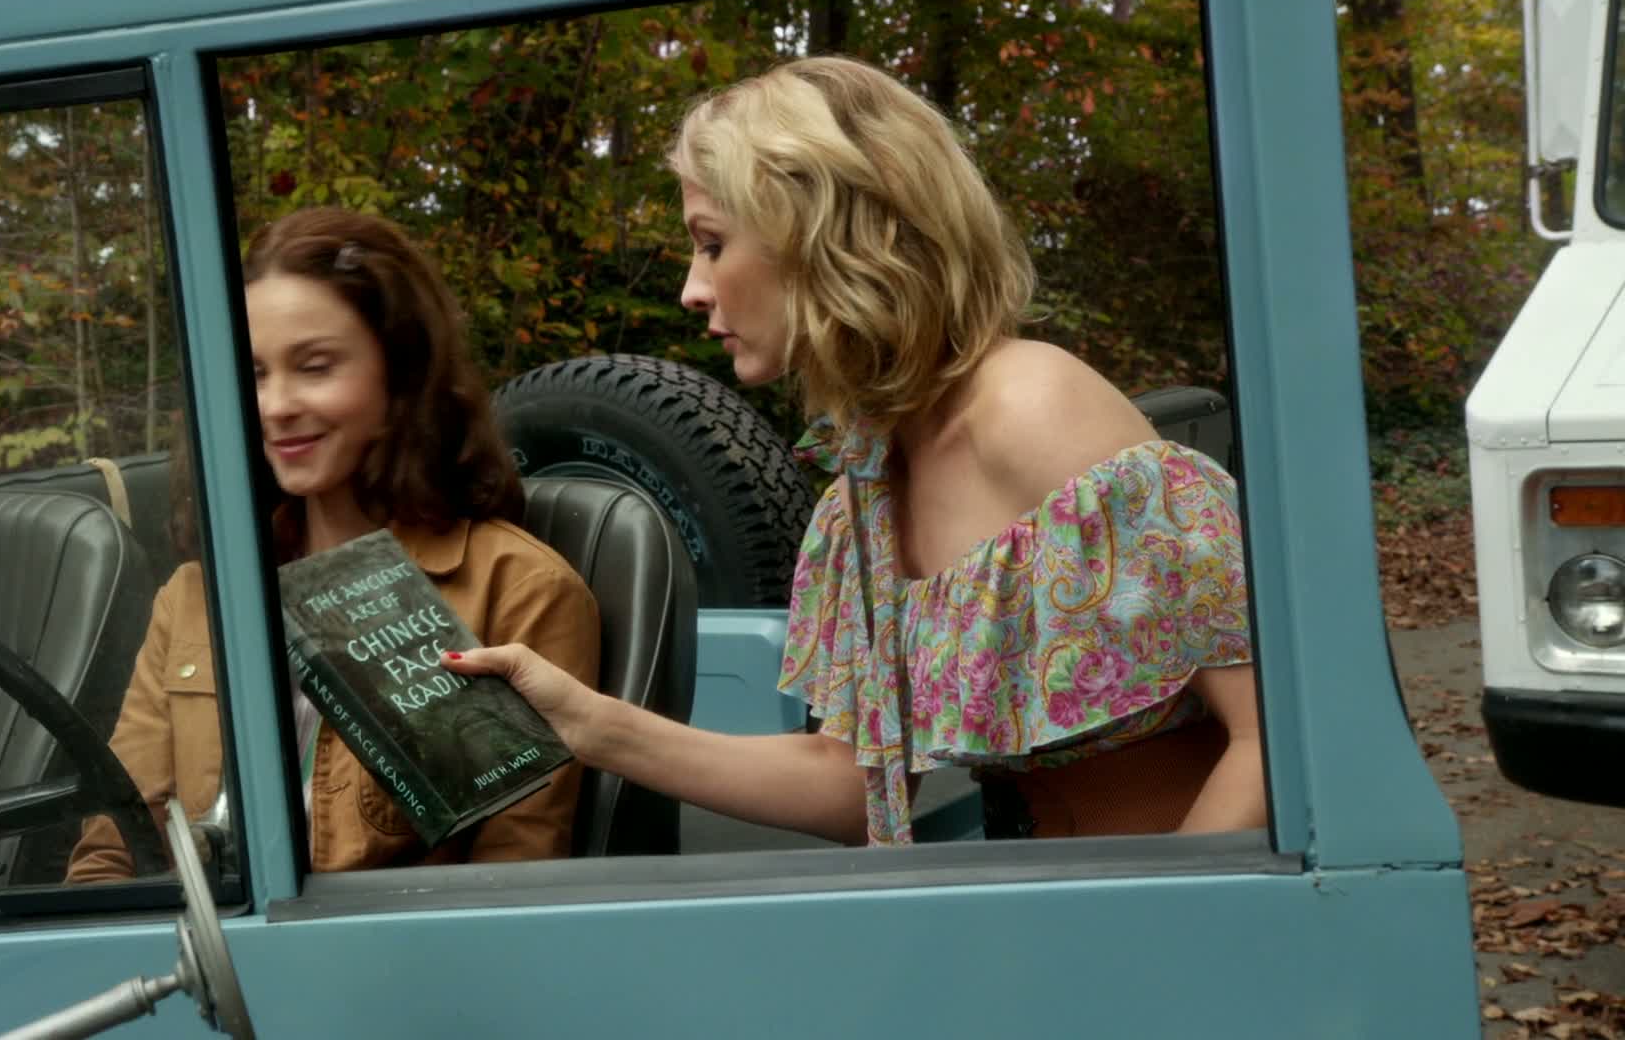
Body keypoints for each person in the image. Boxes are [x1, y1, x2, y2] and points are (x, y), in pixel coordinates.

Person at [445, 55, 1263, 846]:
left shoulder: (1032, 407)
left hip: (1187, 914)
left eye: (713, 243)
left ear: (821, 235)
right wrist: (590, 723)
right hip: (1027, 905)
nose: (692, 288)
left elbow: (1276, 738)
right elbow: (852, 790)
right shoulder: (861, 495)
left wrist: (1173, 930)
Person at [68, 209, 601, 881]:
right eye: (253, 374)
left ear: (401, 377)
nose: (276, 405)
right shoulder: (197, 595)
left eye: (314, 367)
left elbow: (512, 883)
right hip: (200, 940)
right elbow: (110, 857)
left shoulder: (521, 592)